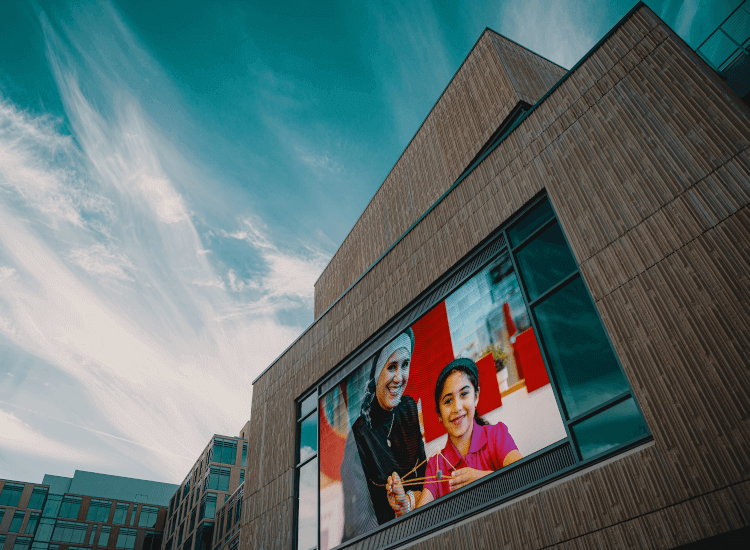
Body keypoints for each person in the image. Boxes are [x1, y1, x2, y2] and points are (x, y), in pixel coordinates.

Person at [387, 357, 522, 511]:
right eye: (448, 401)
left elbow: (524, 475)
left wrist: (482, 479)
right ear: (439, 414)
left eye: (464, 394)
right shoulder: (436, 465)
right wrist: (405, 506)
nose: (457, 407)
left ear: (476, 397)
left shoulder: (496, 435)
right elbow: (423, 515)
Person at [352, 328, 427, 525]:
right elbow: (364, 516)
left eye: (405, 365)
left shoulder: (409, 408)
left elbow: (425, 477)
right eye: (392, 367)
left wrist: (410, 502)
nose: (400, 377)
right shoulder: (360, 434)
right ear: (376, 371)